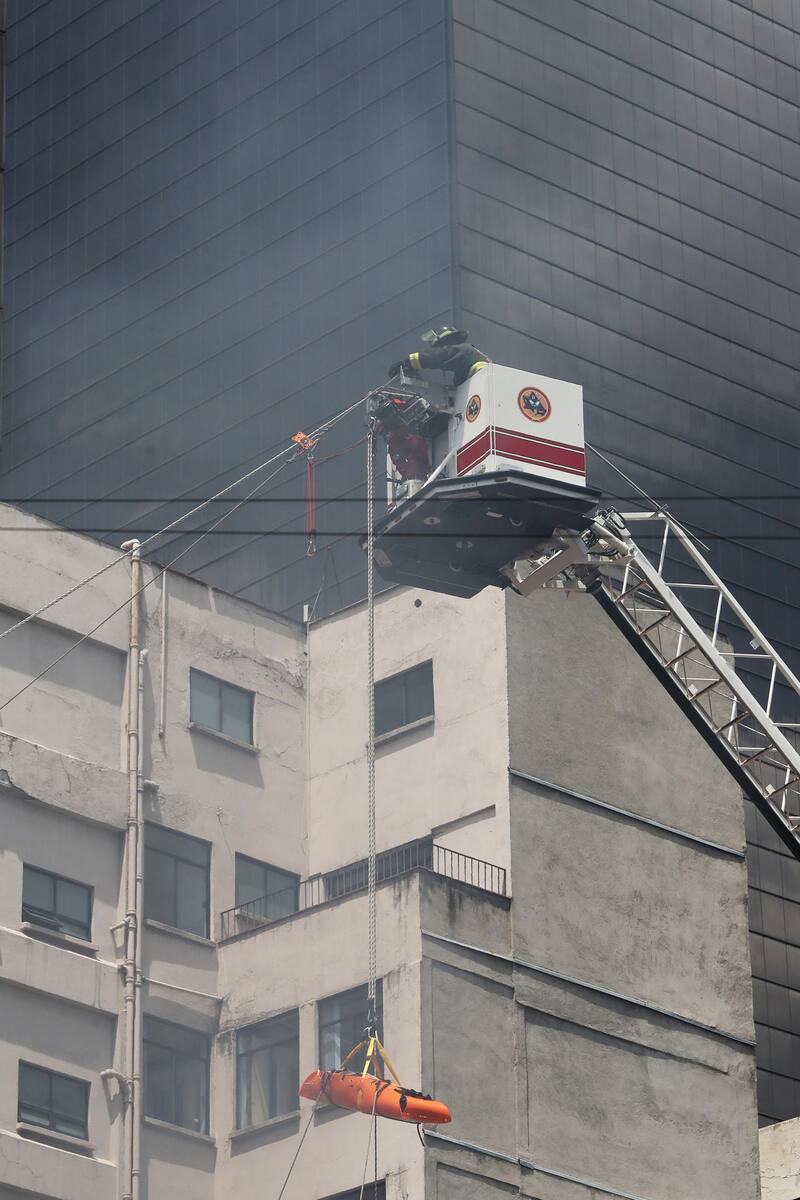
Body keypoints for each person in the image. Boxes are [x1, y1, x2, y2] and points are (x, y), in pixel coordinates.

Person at [388, 327, 490, 387]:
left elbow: (438, 356)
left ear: (447, 342)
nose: (439, 350)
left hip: (484, 386)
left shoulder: (465, 351)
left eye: (439, 347)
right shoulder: (466, 363)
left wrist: (408, 361)